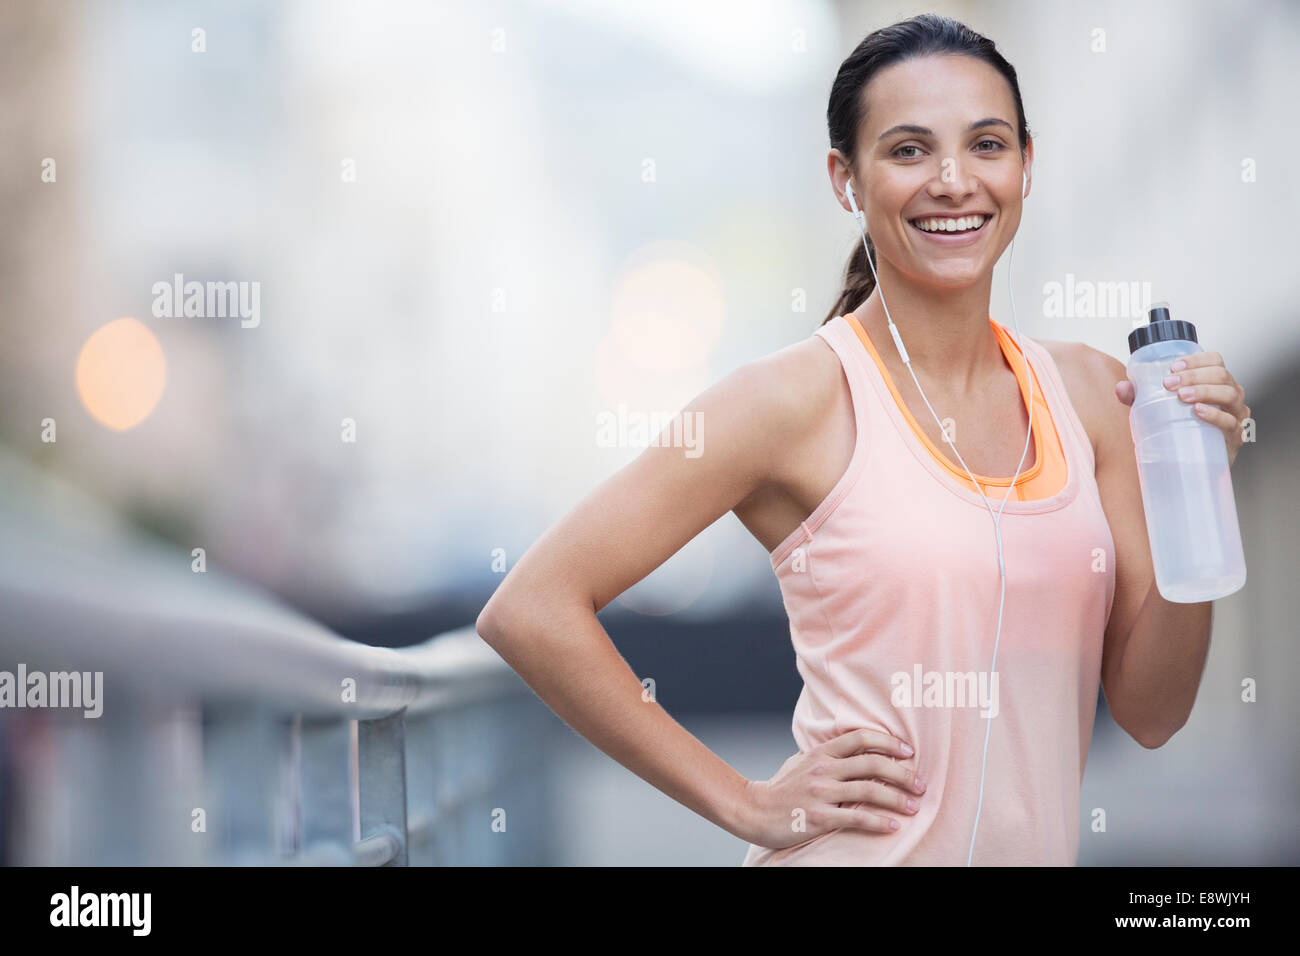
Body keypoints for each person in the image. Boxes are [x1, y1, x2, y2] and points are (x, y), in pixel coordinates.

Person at [476, 13, 1251, 865]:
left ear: (1028, 165)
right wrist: (747, 804)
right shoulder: (791, 401)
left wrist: (1197, 491)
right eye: (909, 150)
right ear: (846, 179)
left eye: (986, 145)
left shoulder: (1094, 395)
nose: (954, 181)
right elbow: (532, 609)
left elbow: (1152, 713)